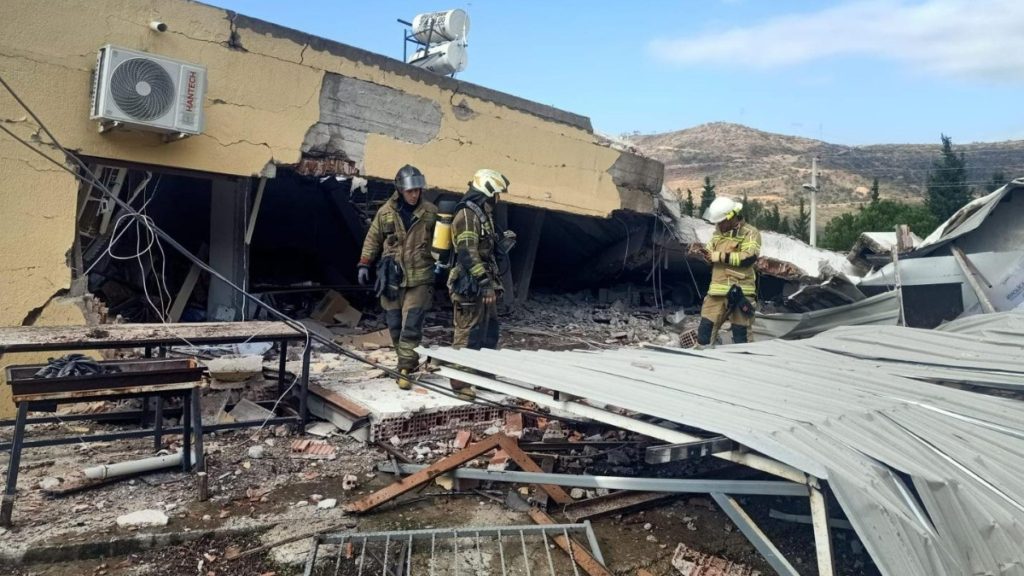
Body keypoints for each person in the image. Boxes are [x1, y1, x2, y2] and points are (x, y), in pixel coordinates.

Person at [358, 165, 438, 389]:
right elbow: (373, 238)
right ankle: (405, 360)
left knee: (411, 324)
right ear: (401, 190)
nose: (414, 195)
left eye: (418, 190)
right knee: (394, 323)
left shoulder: (431, 212)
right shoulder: (386, 212)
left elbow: (443, 241)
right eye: (410, 191)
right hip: (391, 276)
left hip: (420, 277)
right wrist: (364, 263)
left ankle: (405, 368)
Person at [446, 168, 515, 398]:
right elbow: (467, 252)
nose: (497, 199)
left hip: (485, 281)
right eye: (495, 194)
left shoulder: (482, 214)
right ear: (487, 192)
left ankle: (483, 374)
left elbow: (485, 248)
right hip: (470, 283)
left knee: (489, 329)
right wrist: (484, 283)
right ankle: (460, 382)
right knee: (468, 331)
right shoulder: (467, 215)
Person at [695, 196, 760, 346]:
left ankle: (743, 359)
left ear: (731, 217)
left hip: (741, 291)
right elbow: (710, 255)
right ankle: (704, 357)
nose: (718, 225)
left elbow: (748, 258)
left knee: (741, 336)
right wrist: (703, 255)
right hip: (717, 291)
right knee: (704, 333)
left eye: (721, 221)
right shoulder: (717, 235)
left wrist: (719, 256)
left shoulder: (750, 233)